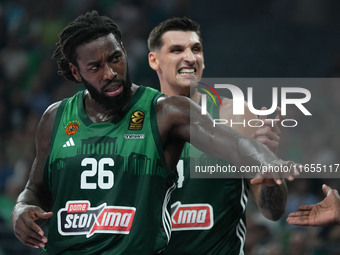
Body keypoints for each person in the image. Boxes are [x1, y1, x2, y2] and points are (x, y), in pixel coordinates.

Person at [11, 11, 297, 254]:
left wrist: (265, 161)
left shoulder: (168, 112)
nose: (110, 72)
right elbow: (36, 189)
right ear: (76, 73)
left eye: (115, 58)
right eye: (95, 67)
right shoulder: (55, 118)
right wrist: (22, 210)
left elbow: (234, 145)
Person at [148, 17, 289, 254]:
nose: (190, 58)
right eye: (176, 50)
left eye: (196, 49)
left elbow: (272, 211)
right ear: (154, 60)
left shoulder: (234, 114)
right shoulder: (139, 121)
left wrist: (270, 173)